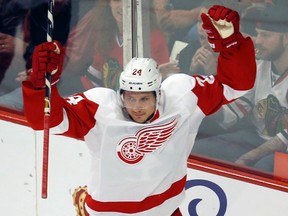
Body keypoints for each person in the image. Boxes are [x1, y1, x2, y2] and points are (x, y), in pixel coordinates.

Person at [22, 5, 256, 215]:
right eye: (130, 98)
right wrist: (41, 85)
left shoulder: (182, 96)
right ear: (121, 93)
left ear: (158, 93)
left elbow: (236, 85)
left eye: (144, 99)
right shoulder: (100, 108)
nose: (136, 107)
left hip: (165, 210)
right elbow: (46, 121)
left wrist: (231, 44)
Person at [192, 3, 288, 173]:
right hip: (256, 138)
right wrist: (197, 102)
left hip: (283, 150)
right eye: (258, 34)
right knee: (197, 150)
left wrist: (249, 157)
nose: (258, 41)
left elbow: (285, 139)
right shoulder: (258, 65)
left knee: (261, 170)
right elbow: (235, 110)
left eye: (265, 35)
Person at [61, 0, 169, 95]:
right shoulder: (105, 33)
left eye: (129, 1)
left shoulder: (154, 38)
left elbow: (156, 89)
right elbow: (94, 79)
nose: (123, 5)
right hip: (103, 99)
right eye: (117, 0)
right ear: (109, 4)